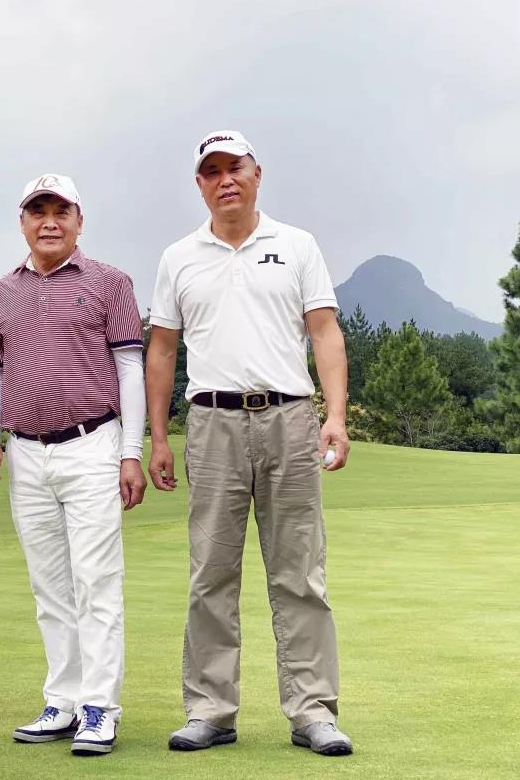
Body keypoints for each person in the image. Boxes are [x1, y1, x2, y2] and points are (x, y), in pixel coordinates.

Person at [145, 131, 353, 757]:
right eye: (212, 172)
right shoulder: (179, 257)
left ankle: (312, 710)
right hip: (212, 423)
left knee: (300, 572)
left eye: (235, 167)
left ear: (257, 173)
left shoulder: (297, 245)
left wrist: (335, 415)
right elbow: (162, 349)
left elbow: (324, 332)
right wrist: (158, 436)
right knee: (211, 572)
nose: (225, 180)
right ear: (199, 184)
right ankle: (210, 709)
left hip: (289, 417)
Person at [0, 173, 147, 757]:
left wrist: (130, 451)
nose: (49, 221)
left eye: (61, 211)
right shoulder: (1, 292)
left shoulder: (109, 282)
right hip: (25, 452)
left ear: (79, 221)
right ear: (22, 222)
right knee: (50, 587)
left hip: (92, 443)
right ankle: (63, 700)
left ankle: (100, 707)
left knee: (96, 582)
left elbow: (129, 369)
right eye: (38, 211)